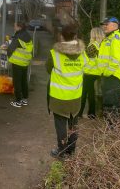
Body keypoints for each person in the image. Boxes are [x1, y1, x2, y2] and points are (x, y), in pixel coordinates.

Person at [46, 24, 87, 158]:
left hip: (59, 97)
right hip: (75, 96)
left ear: (62, 36)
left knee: (60, 125)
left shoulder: (55, 53)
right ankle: (71, 149)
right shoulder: (82, 53)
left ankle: (62, 150)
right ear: (75, 36)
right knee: (73, 124)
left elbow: (48, 69)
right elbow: (85, 68)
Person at [98, 17, 120, 128]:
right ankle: (113, 129)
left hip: (113, 77)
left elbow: (115, 60)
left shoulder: (116, 38)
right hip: (110, 77)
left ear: (115, 25)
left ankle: (114, 131)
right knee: (111, 104)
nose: (104, 26)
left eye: (107, 24)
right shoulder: (109, 38)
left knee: (111, 105)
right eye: (103, 24)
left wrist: (106, 73)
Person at [78, 27, 105, 119]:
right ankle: (91, 114)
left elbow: (86, 60)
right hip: (97, 72)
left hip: (89, 72)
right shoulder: (102, 45)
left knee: (84, 94)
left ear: (94, 34)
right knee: (91, 94)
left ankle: (81, 113)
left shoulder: (92, 46)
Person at [7, 21, 33, 108]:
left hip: (17, 62)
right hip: (25, 61)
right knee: (23, 80)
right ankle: (25, 99)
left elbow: (11, 48)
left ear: (19, 27)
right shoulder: (27, 35)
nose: (14, 27)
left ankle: (18, 101)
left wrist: (7, 53)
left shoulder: (18, 36)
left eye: (15, 26)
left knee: (17, 82)